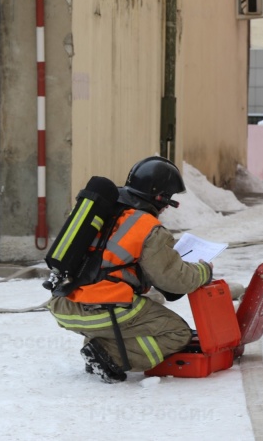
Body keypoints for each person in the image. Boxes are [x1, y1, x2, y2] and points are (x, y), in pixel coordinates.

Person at [48, 156, 214, 383]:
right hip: (103, 311)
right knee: (177, 333)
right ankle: (109, 356)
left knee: (143, 309)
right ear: (158, 196)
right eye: (168, 199)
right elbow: (175, 280)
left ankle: (97, 348)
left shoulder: (105, 212)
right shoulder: (146, 227)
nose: (167, 205)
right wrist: (204, 270)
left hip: (65, 306)